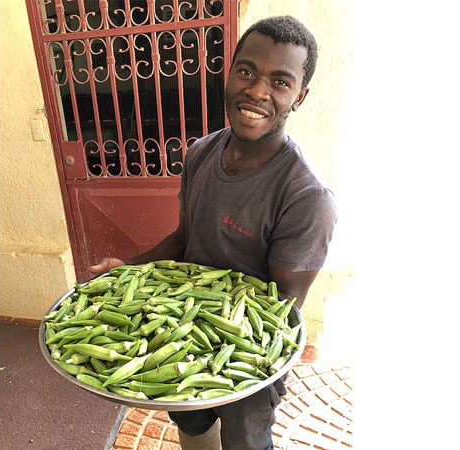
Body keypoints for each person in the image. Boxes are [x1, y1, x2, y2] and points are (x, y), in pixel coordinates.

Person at [89, 15, 337, 450]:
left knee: (245, 440)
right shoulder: (201, 153)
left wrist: (205, 350)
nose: (257, 91)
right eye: (247, 71)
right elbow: (184, 240)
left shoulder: (305, 196)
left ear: (300, 97)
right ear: (230, 71)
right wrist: (127, 269)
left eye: (280, 82)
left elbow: (278, 312)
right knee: (193, 426)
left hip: (242, 357)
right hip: (180, 335)